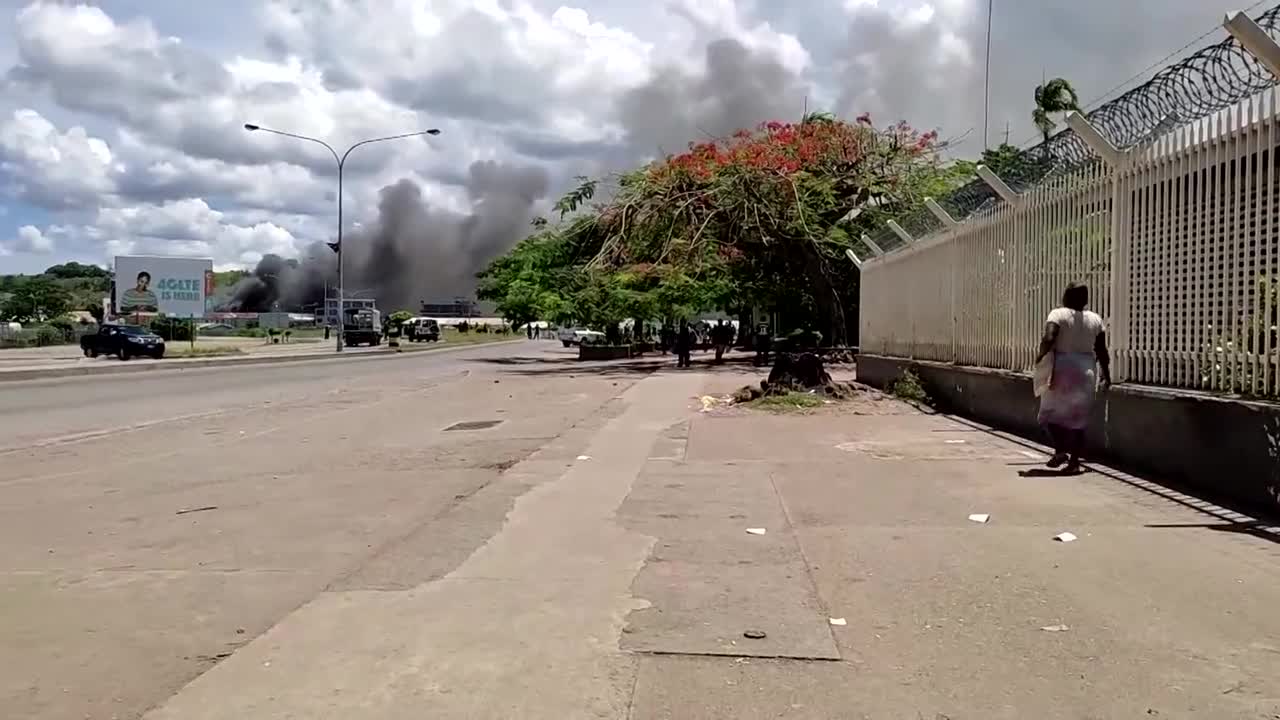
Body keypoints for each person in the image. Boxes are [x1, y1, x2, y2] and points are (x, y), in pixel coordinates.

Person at [1035, 282, 1112, 473]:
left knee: (1048, 413)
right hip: (1086, 371)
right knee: (1078, 418)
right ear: (1085, 299)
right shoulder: (1095, 319)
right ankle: (1075, 463)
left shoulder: (1058, 314)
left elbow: (1050, 337)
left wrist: (1041, 354)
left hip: (1062, 369)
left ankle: (1061, 449)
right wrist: (1106, 375)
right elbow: (1102, 350)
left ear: (1066, 297)